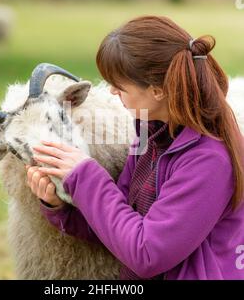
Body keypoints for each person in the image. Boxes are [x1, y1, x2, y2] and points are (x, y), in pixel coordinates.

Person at [25, 16, 244, 279]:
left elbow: (147, 254)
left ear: (157, 91)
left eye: (119, 85)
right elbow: (119, 227)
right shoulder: (150, 133)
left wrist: (86, 176)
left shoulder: (209, 160)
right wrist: (59, 206)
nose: (111, 92)